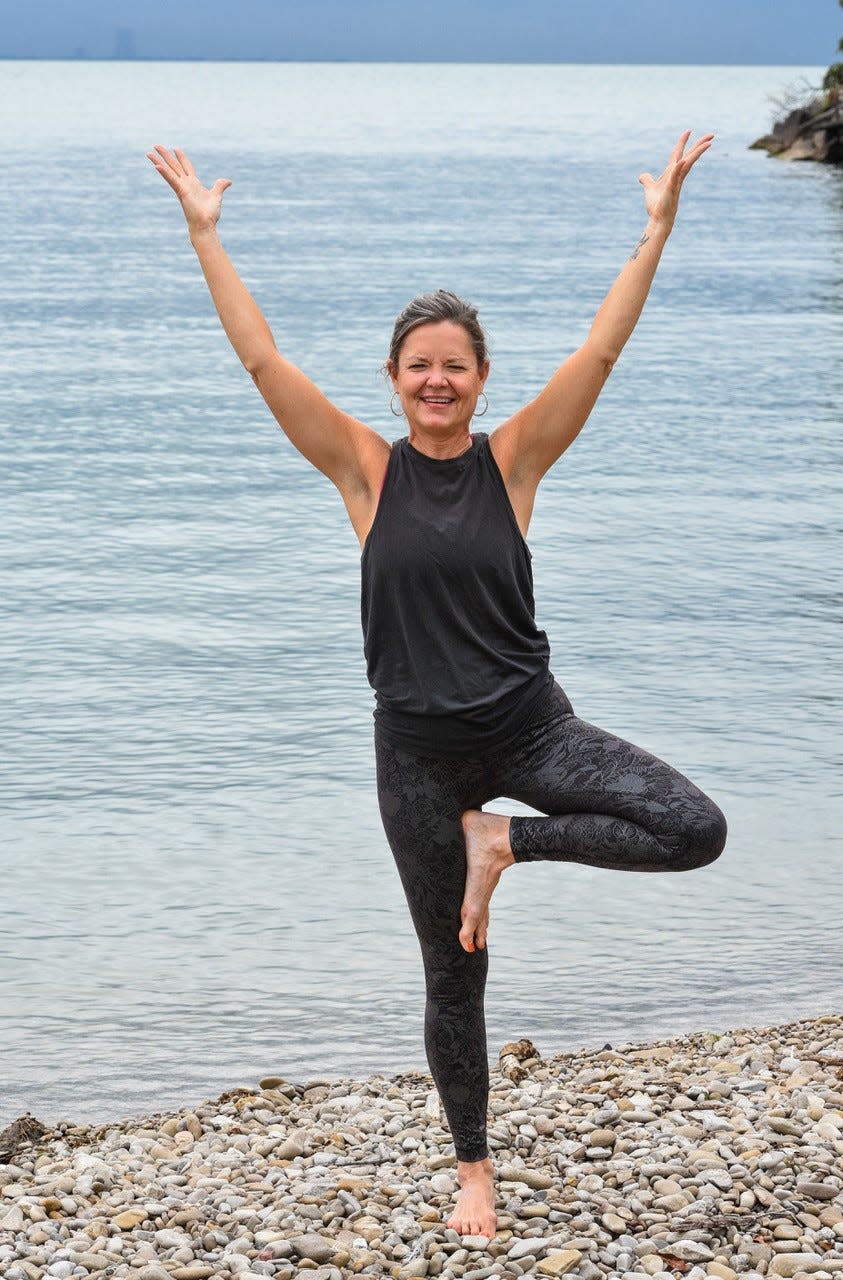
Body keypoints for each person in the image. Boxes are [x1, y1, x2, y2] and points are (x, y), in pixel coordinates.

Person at [147, 131, 727, 1238]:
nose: (437, 379)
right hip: (415, 758)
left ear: (480, 379)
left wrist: (656, 231)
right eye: (419, 364)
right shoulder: (364, 472)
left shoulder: (517, 462)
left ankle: (503, 842)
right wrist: (205, 236)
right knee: (452, 970)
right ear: (395, 380)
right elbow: (264, 361)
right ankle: (474, 1166)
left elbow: (601, 354)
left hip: (532, 736)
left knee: (693, 825)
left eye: (455, 363)